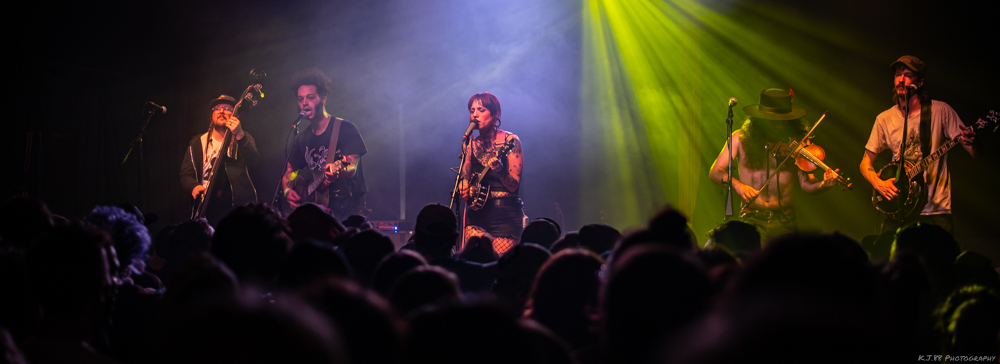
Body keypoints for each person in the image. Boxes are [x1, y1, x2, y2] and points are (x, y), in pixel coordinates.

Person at [859, 55, 979, 235]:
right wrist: (878, 183)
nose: (901, 79)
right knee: (886, 259)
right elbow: (864, 163)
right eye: (898, 74)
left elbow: (975, 153)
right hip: (899, 209)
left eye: (907, 75)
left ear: (920, 82)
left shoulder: (941, 111)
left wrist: (974, 142)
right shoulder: (884, 119)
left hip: (935, 210)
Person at [709, 88, 840, 240]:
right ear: (759, 118)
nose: (777, 125)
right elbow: (715, 172)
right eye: (771, 120)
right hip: (751, 218)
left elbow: (807, 183)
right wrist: (738, 185)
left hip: (785, 220)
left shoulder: (798, 142)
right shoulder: (739, 138)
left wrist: (823, 185)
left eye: (781, 121)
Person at [282, 68, 369, 219]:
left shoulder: (345, 128)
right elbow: (290, 170)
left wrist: (337, 172)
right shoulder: (302, 138)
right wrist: (287, 191)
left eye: (310, 98)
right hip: (318, 215)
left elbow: (351, 166)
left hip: (347, 211)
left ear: (323, 99)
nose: (304, 104)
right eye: (300, 99)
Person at [458, 92, 524, 254]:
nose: (475, 115)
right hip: (477, 215)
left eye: (481, 110)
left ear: (495, 114)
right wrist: (463, 185)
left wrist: (500, 169)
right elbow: (464, 177)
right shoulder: (470, 145)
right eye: (472, 110)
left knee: (499, 267)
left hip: (505, 215)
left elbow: (514, 185)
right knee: (474, 263)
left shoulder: (511, 141)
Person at [180, 95, 259, 226]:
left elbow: (254, 162)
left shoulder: (244, 137)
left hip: (233, 207)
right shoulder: (197, 142)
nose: (222, 111)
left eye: (227, 108)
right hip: (205, 205)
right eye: (217, 108)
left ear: (235, 115)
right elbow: (185, 174)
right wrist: (194, 186)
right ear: (212, 114)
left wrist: (240, 135)